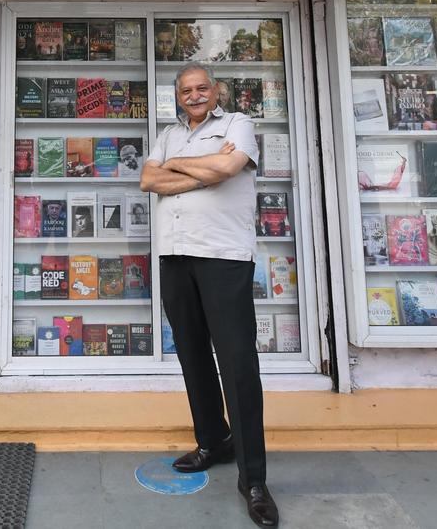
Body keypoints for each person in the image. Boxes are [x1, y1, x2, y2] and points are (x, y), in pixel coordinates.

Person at [141, 63, 278, 528]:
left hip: (223, 257)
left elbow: (229, 165)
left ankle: (253, 479)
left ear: (214, 91)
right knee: (193, 356)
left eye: (202, 88)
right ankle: (212, 441)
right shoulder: (166, 133)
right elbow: (148, 180)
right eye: (186, 90)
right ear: (177, 96)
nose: (195, 95)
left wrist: (177, 166)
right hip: (175, 256)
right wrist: (203, 171)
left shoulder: (238, 124)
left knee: (238, 362)